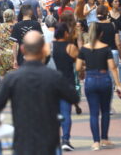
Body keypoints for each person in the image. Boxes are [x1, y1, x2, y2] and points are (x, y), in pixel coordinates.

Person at [0, 31, 79, 155]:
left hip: (23, 141)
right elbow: (73, 96)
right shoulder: (53, 76)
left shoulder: (12, 78)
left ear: (23, 50)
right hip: (48, 142)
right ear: (43, 50)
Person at [76, 23, 121, 151]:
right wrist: (118, 86)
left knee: (93, 113)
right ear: (101, 34)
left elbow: (78, 67)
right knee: (105, 111)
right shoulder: (106, 48)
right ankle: (105, 139)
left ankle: (96, 142)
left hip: (90, 80)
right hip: (104, 80)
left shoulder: (84, 49)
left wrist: (86, 67)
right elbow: (112, 67)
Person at [51, 23, 79, 151]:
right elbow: (78, 64)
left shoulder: (50, 46)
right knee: (66, 113)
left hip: (52, 83)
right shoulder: (71, 47)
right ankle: (65, 140)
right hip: (67, 83)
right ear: (66, 34)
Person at [96, 5, 121, 87]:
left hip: (100, 52)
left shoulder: (95, 26)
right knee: (113, 71)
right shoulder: (113, 25)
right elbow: (118, 42)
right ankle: (113, 85)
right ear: (107, 13)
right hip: (113, 52)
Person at [0, 9, 15, 77]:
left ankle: (4, 86)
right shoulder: (16, 26)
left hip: (1, 53)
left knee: (3, 74)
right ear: (13, 16)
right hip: (14, 53)